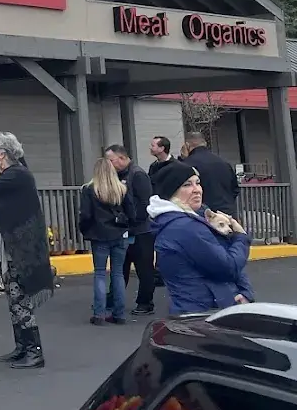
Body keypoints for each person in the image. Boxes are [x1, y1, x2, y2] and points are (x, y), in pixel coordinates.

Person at [0, 132, 53, 370]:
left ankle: (34, 352)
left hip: (22, 250)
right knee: (14, 298)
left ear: (3, 154)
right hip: (11, 248)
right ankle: (22, 347)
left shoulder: (18, 175)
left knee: (20, 299)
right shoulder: (11, 174)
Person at [149, 160, 253, 315]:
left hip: (213, 308)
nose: (196, 190)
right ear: (172, 192)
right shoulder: (185, 227)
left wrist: (245, 292)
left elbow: (227, 258)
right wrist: (241, 237)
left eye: (197, 183)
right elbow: (228, 267)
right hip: (202, 314)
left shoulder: (198, 217)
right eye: (187, 185)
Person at [77, 156, 135, 326]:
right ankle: (119, 315)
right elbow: (132, 213)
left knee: (100, 273)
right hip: (120, 234)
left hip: (99, 235)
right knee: (118, 274)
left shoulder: (90, 190)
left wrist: (85, 230)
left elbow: (86, 215)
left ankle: (99, 314)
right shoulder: (122, 189)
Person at [107, 145, 158, 315]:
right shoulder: (117, 175)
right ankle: (114, 299)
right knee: (120, 268)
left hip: (140, 230)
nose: (109, 164)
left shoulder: (137, 175)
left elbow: (145, 203)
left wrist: (132, 220)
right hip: (123, 230)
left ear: (122, 158)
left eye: (111, 160)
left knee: (144, 269)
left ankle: (145, 303)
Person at [181, 132, 239, 218]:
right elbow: (235, 189)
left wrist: (182, 159)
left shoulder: (187, 164)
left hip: (203, 215)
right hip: (227, 214)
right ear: (205, 143)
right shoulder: (224, 163)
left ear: (187, 145)